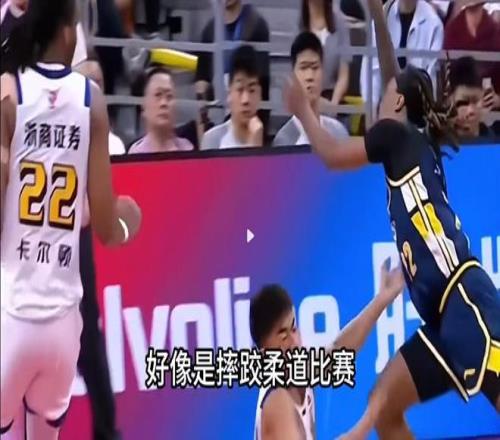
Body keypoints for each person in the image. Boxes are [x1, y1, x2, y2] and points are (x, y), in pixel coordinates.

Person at [283, 0, 500, 437]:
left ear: (397, 103)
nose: (379, 96)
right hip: (442, 316)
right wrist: (380, 18)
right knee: (384, 406)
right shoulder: (411, 139)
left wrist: (303, 110)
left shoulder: (395, 137)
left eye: (386, 94)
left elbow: (332, 155)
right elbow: (391, 75)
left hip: (463, 297)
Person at [0, 2, 141, 440]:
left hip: (12, 313)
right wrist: (127, 220)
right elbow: (107, 228)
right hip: (62, 327)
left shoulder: (9, 91)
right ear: (67, 34)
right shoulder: (90, 99)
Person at [253, 260, 405, 439]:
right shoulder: (277, 403)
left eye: (293, 329)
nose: (294, 342)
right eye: (283, 336)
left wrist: (382, 299)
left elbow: (339, 350)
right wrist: (371, 416)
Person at [361, 0, 443, 114]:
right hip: (382, 111)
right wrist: (374, 112)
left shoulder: (434, 24)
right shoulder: (382, 15)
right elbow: (370, 73)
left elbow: (430, 82)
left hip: (417, 113)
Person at [273, 32, 348, 147]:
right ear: (293, 75)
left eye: (315, 67)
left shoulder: (338, 133)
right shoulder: (284, 141)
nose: (310, 76)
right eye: (303, 68)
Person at [201, 45, 264, 150]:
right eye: (240, 90)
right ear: (229, 92)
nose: (245, 100)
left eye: (252, 90)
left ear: (260, 95)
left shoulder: (272, 143)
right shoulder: (213, 140)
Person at [128, 66, 194, 154]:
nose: (164, 103)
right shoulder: (135, 154)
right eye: (158, 95)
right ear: (143, 106)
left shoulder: (188, 150)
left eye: (169, 96)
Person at [300, 0, 352, 107]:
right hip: (305, 100)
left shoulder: (340, 23)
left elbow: (344, 76)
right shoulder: (299, 25)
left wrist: (332, 106)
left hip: (332, 98)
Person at [447, 56, 496, 140]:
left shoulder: (495, 143)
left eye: (476, 102)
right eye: (464, 102)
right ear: (448, 100)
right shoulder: (430, 143)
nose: (471, 111)